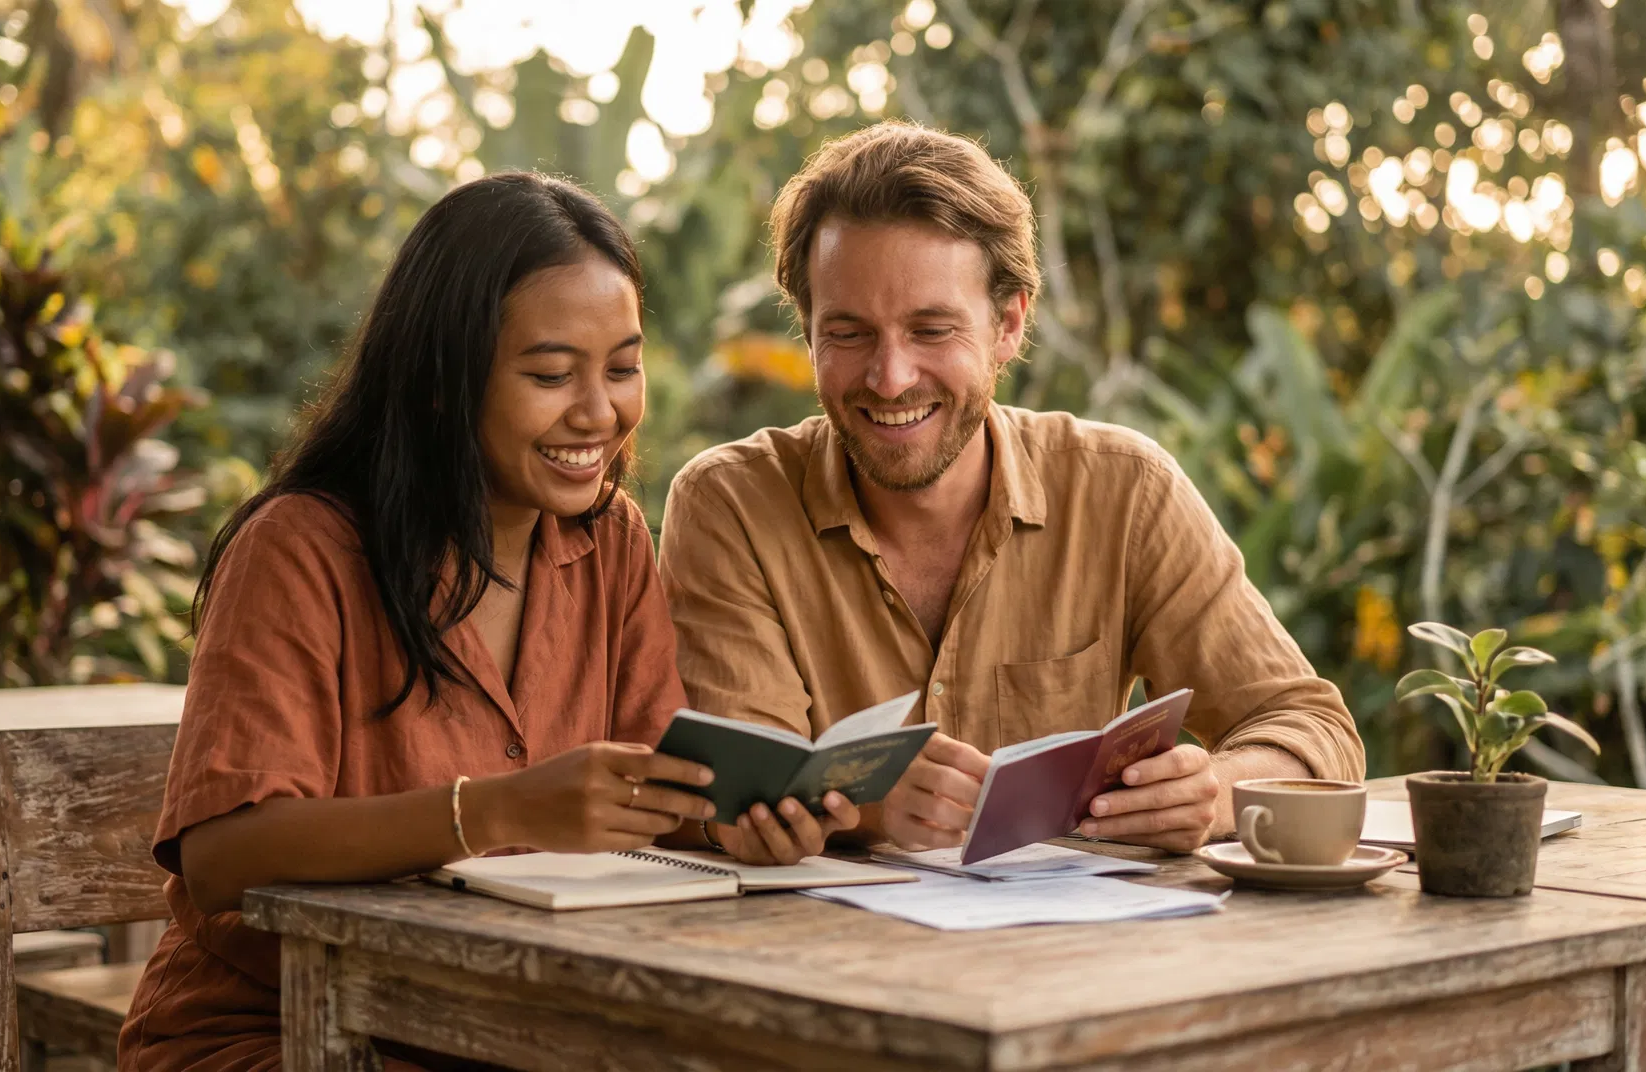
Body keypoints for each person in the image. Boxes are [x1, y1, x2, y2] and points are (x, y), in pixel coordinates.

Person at [119, 173, 831, 1072]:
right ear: (442, 381)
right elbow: (225, 854)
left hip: (512, 1026)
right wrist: (491, 811)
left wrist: (747, 820)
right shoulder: (301, 548)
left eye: (621, 368)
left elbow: (656, 789)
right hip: (287, 1033)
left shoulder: (608, 540)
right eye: (549, 374)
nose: (598, 412)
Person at [658, 122, 1366, 859]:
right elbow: (745, 795)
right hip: (825, 959)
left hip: (1075, 957)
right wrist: (867, 805)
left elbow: (1312, 729)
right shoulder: (731, 505)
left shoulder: (1125, 491)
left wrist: (1210, 792)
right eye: (848, 333)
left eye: (932, 330)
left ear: (1008, 324)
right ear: (807, 332)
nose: (891, 377)